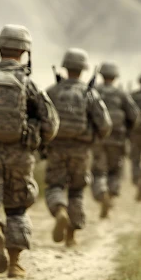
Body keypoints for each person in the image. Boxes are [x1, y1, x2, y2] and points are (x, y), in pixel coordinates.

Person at [0, 24, 59, 278]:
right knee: (17, 208)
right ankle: (15, 264)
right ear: (24, 52)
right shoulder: (27, 83)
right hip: (20, 155)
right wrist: (34, 139)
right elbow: (51, 122)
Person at [45, 49, 112, 246]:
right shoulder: (89, 93)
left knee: (55, 186)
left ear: (65, 68)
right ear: (83, 70)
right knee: (76, 190)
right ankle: (71, 236)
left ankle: (59, 211)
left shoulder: (52, 91)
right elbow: (105, 125)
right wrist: (93, 139)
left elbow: (42, 118)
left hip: (56, 148)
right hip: (81, 150)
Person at [91, 62, 141, 216]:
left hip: (98, 139)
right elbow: (134, 116)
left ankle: (101, 193)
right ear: (115, 77)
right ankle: (111, 195)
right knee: (115, 171)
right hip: (117, 139)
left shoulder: (93, 91)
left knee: (98, 171)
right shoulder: (122, 94)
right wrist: (128, 132)